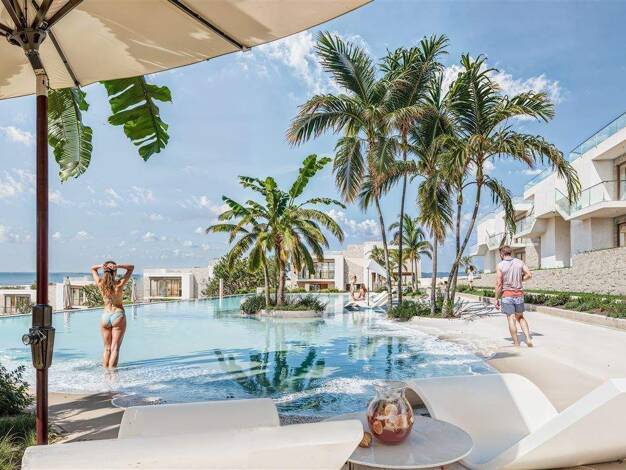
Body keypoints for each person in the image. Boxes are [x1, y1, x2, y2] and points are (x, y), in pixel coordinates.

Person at [91, 261, 134, 368]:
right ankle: (113, 374)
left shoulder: (101, 284)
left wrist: (102, 266)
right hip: (118, 314)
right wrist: (118, 266)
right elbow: (131, 268)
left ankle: (105, 373)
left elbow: (93, 269)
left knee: (107, 348)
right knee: (115, 348)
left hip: (105, 316)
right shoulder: (119, 284)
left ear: (105, 271)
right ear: (115, 271)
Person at [495, 246, 533, 347]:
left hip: (507, 295)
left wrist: (496, 298)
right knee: (520, 317)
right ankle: (528, 338)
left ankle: (516, 343)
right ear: (510, 252)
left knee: (511, 318)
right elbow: (529, 274)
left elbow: (499, 283)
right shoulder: (519, 262)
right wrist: (521, 279)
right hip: (519, 294)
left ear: (502, 254)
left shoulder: (500, 265)